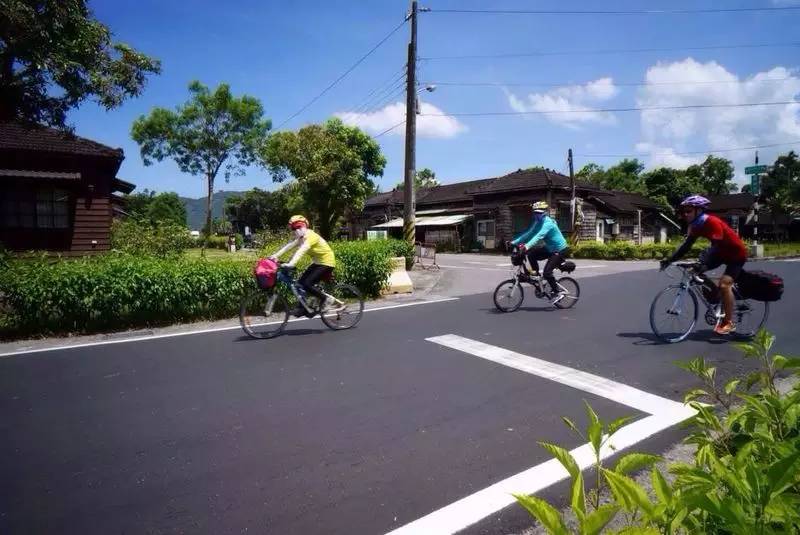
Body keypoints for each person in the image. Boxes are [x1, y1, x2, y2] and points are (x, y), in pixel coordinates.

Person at [661, 194, 748, 335]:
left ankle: (728, 322)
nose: (685, 214)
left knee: (725, 284)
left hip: (735, 255)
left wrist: (702, 261)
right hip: (720, 253)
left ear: (699, 211)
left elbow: (715, 245)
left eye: (688, 211)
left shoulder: (712, 222)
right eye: (683, 212)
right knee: (693, 272)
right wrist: (669, 260)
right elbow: (686, 246)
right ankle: (717, 296)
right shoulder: (696, 225)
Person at [269, 215, 337, 316]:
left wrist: (291, 264)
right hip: (318, 263)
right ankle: (305, 308)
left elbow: (301, 251)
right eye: (294, 228)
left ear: (305, 226)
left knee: (307, 284)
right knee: (300, 284)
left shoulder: (310, 236)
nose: (296, 230)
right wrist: (274, 256)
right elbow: (288, 246)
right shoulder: (300, 238)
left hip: (327, 262)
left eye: (298, 226)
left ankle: (326, 299)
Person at [510, 201, 570, 303]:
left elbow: (538, 236)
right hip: (549, 248)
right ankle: (537, 276)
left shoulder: (548, 223)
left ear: (544, 213)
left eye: (539, 213)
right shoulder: (538, 222)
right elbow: (529, 233)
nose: (536, 215)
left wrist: (527, 246)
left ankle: (557, 292)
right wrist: (514, 242)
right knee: (531, 254)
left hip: (559, 249)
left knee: (547, 273)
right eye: (535, 213)